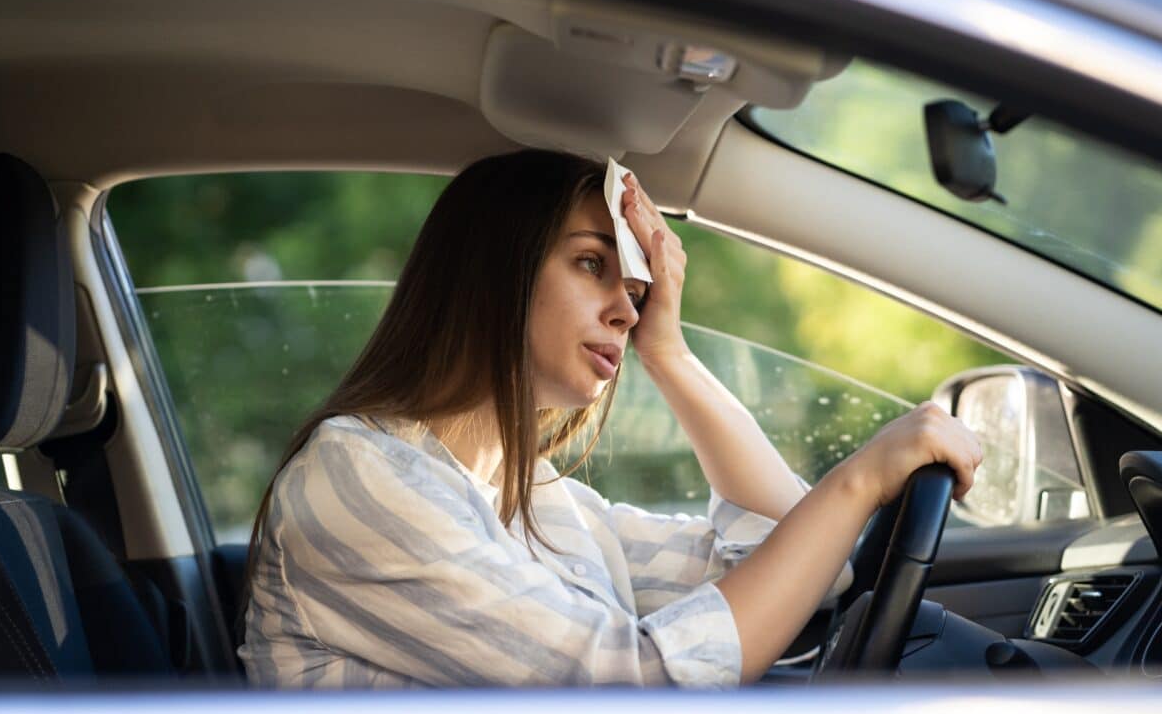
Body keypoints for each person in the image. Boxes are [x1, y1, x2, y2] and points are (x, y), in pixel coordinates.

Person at [237, 149, 981, 688]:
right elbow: (634, 686)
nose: (628, 309)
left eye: (637, 289)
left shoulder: (538, 499)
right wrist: (860, 480)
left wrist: (671, 356)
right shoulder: (354, 476)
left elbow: (799, 565)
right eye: (592, 264)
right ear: (497, 270)